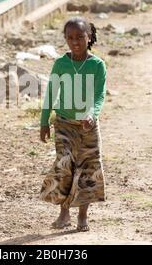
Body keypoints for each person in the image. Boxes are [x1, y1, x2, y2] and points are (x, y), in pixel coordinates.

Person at [39, 17, 107, 232]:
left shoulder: (97, 65)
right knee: (65, 164)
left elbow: (99, 96)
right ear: (65, 39)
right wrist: (44, 122)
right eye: (70, 37)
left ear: (89, 37)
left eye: (80, 37)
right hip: (64, 123)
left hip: (88, 126)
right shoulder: (61, 64)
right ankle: (64, 212)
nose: (75, 41)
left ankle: (83, 215)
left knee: (88, 168)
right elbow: (51, 93)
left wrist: (92, 114)